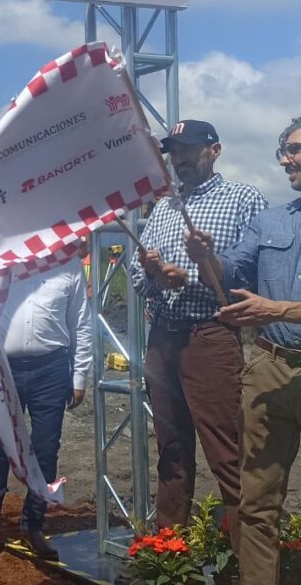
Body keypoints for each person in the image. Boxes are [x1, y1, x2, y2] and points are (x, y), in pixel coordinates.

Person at [131, 119, 267, 544]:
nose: (181, 158)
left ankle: (249, 559)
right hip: (164, 338)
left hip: (211, 335)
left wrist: (190, 277)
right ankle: (169, 553)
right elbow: (137, 277)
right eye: (174, 151)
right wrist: (154, 274)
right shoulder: (167, 205)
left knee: (226, 451)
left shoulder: (244, 200)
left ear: (215, 150)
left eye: (190, 149)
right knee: (171, 452)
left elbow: (256, 277)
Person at [185, 116, 301, 584]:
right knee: (256, 503)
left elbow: (268, 305)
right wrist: (206, 255)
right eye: (284, 150)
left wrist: (278, 309)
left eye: (295, 149)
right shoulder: (269, 220)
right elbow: (229, 274)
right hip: (271, 370)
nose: (285, 158)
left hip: (277, 338)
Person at [0, 257, 92, 566]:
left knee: (46, 451)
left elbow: (81, 321)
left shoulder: (69, 266)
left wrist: (79, 376)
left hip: (51, 369)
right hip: (3, 366)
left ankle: (34, 526)